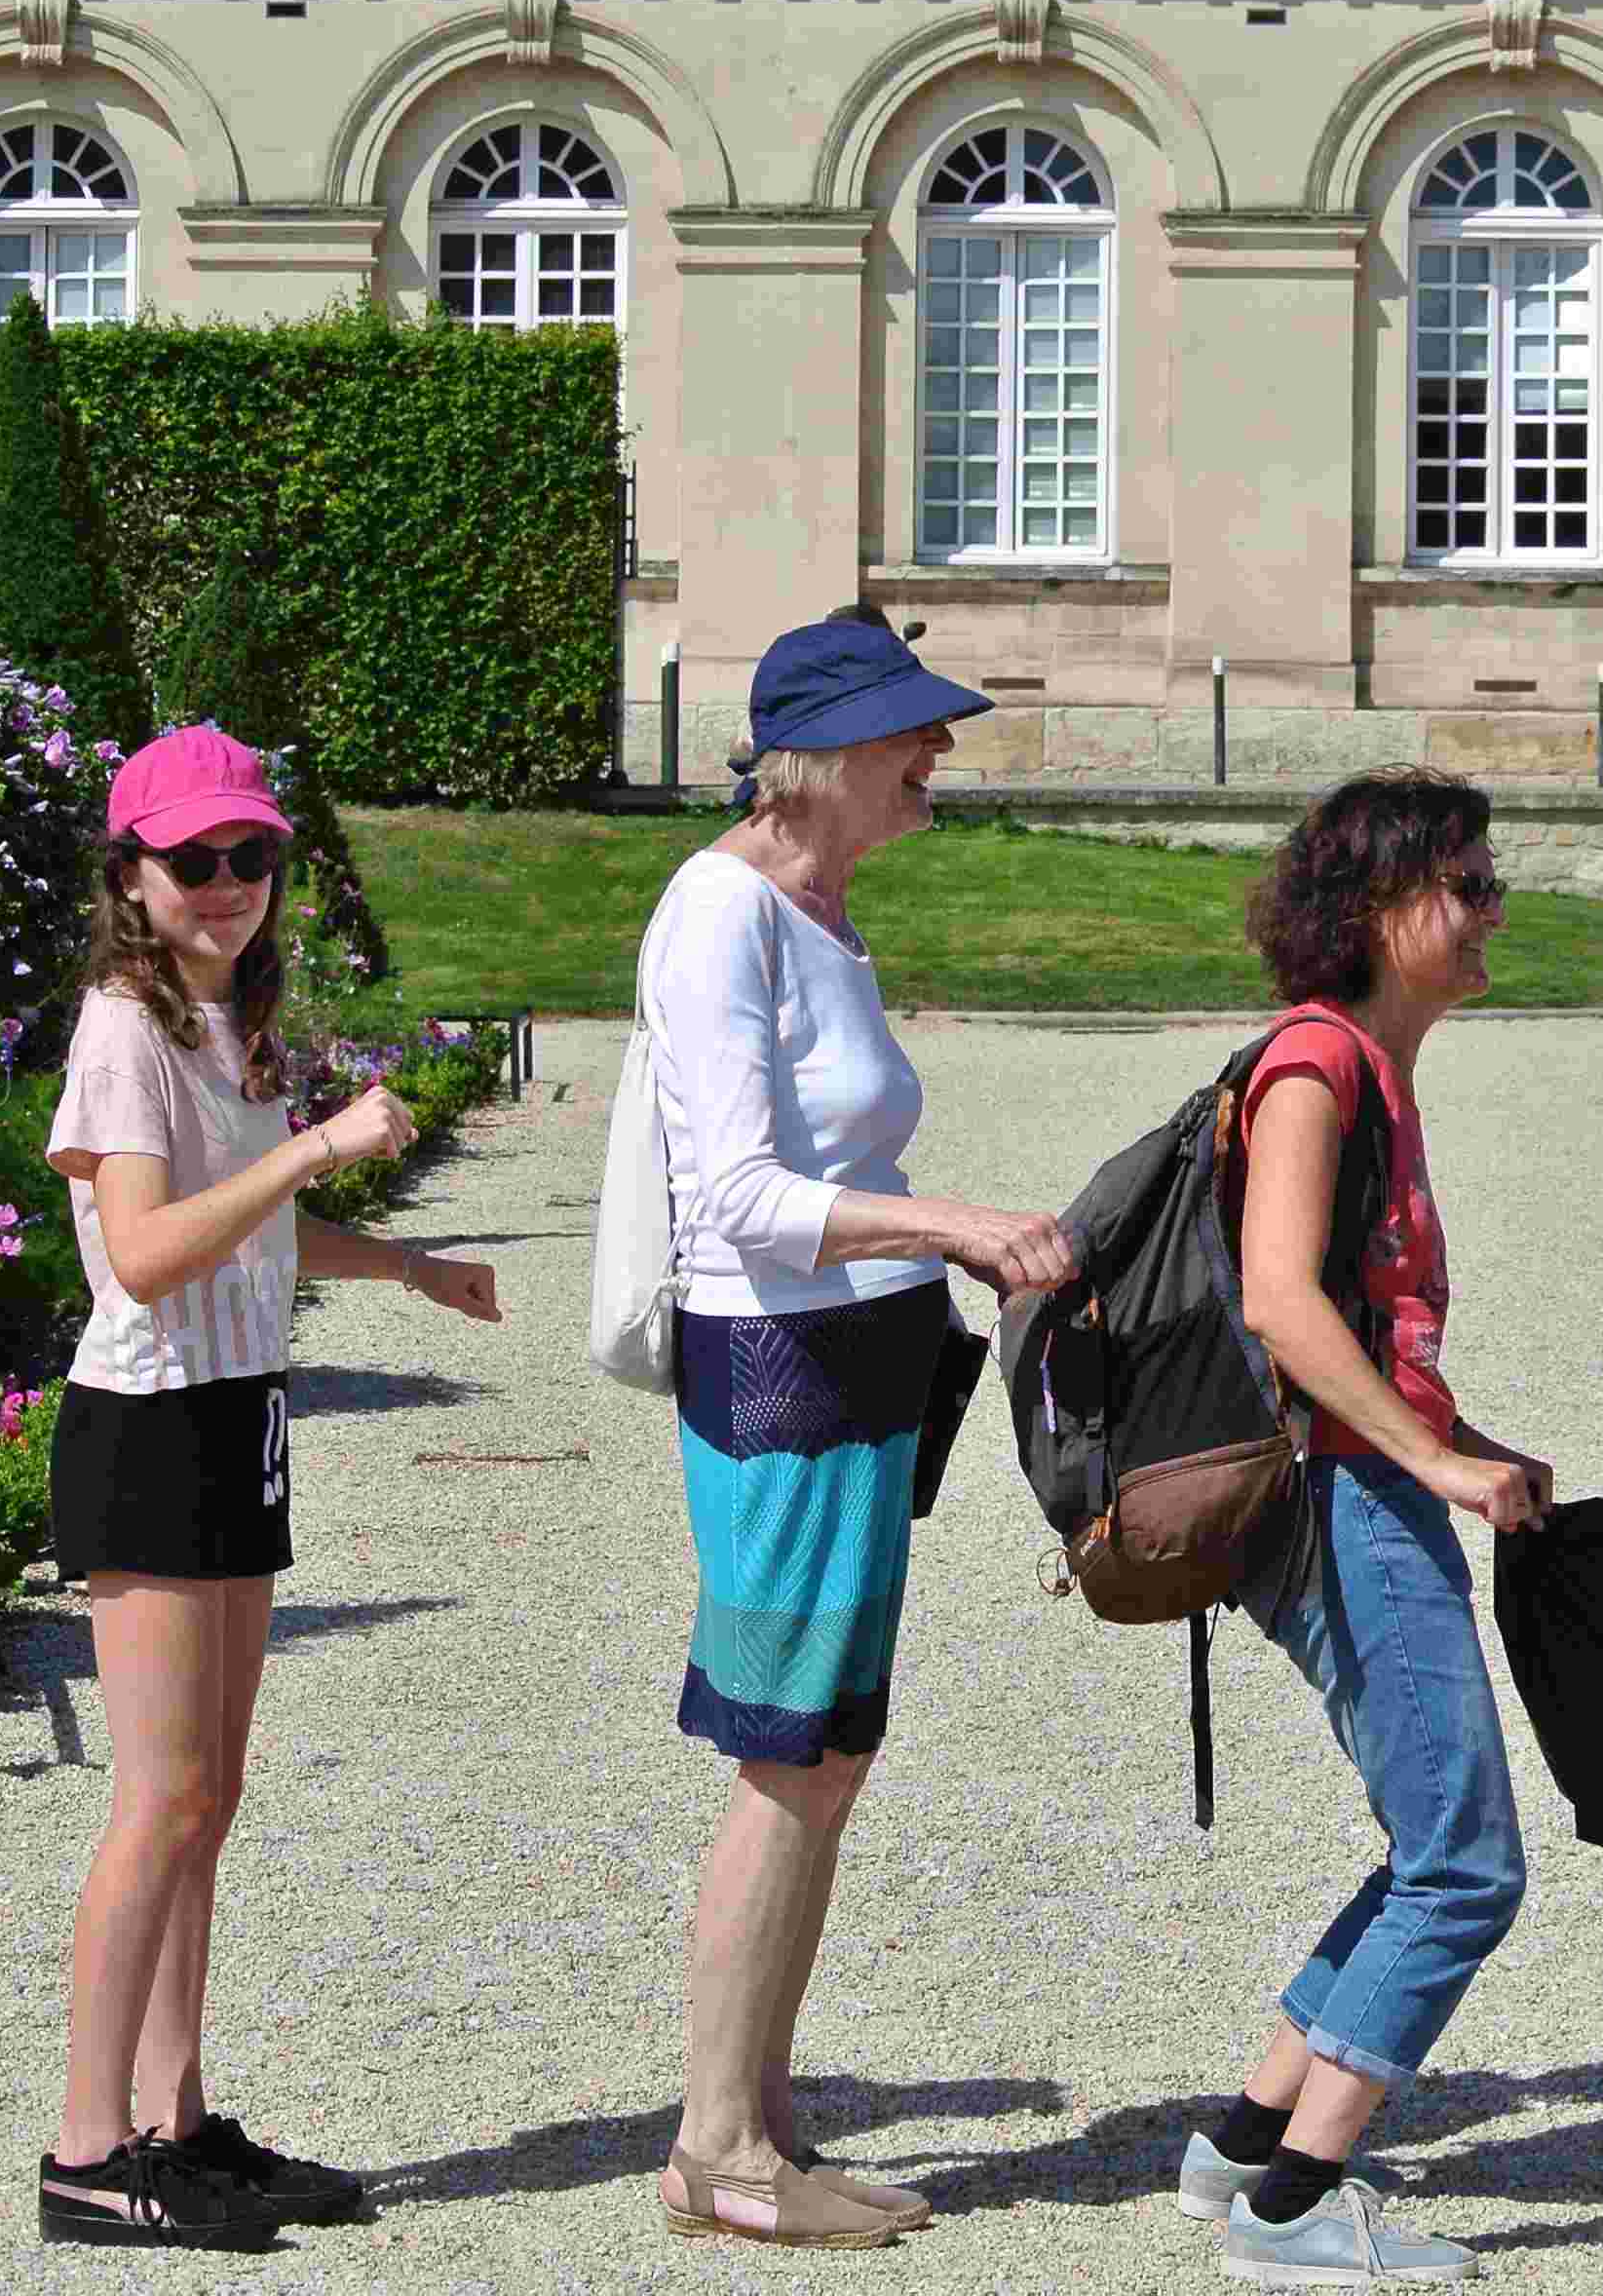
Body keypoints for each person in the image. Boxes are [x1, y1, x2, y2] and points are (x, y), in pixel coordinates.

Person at [640, 610, 1081, 2251]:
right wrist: (956, 1225)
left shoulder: (820, 911)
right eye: (914, 733)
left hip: (859, 1357)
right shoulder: (719, 912)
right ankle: (718, 2146)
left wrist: (932, 1248)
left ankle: (753, 2119)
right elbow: (742, 1197)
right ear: (823, 754)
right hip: (781, 1369)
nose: (937, 755)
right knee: (785, 1754)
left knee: (825, 1754)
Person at [40, 725, 505, 2250]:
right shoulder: (123, 1023)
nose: (229, 886)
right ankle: (86, 2150)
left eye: (252, 857)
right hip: (150, 1424)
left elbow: (247, 1243)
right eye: (196, 861)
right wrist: (312, 1149)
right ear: (133, 876)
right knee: (158, 1798)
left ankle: (175, 2125)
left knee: (209, 1798)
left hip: (235, 1414)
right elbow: (152, 1249)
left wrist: (408, 1265)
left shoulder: (222, 1018)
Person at [1190, 766, 1551, 2290]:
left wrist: (1461, 1447)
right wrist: (1433, 1462)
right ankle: (1295, 2209)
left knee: (1429, 1841)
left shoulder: (1372, 1071)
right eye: (1463, 886)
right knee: (1467, 1863)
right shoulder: (1317, 1066)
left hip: (1370, 1478)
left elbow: (1351, 1320)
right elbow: (1280, 1302)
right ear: (1377, 908)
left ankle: (1243, 2145)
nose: (1489, 913)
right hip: (1335, 1499)